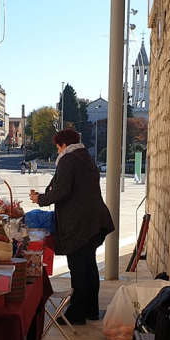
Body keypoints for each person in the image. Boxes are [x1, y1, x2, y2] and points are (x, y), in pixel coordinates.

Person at [31, 128, 114, 325]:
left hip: (79, 225)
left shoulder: (68, 160)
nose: (58, 151)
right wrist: (47, 193)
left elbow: (61, 191)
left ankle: (76, 314)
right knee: (89, 266)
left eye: (58, 147)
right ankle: (91, 310)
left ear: (64, 145)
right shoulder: (85, 158)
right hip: (95, 221)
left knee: (78, 269)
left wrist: (40, 199)